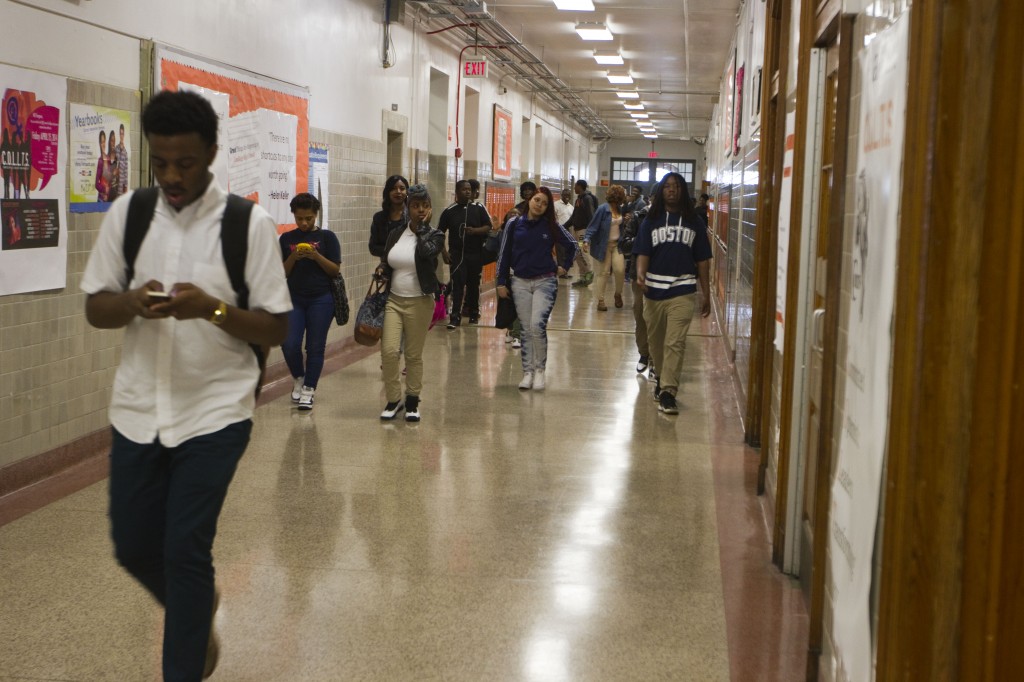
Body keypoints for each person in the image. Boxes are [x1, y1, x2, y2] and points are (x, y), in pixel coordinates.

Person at [81, 90, 291, 681]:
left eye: (186, 163)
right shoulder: (130, 214)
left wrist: (212, 311)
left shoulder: (248, 226)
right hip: (137, 407)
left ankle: (186, 659)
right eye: (161, 163)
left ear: (212, 154)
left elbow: (275, 327)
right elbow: (97, 308)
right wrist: (130, 302)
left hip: (215, 411)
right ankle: (196, 609)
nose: (172, 176)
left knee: (184, 550)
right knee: (133, 547)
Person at [633, 172, 712, 415]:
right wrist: (640, 274)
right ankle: (659, 375)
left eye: (676, 186)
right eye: (667, 186)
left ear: (683, 191)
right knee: (656, 343)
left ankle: (668, 391)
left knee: (675, 342)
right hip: (654, 290)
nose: (671, 190)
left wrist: (705, 293)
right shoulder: (651, 220)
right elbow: (643, 251)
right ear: (661, 191)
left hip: (683, 289)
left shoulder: (694, 221)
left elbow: (702, 261)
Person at [496, 187, 578, 391]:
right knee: (525, 329)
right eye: (537, 200)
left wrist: (564, 266)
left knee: (536, 326)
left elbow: (572, 245)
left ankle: (540, 370)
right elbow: (504, 253)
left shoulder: (551, 226)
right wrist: (500, 282)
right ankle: (527, 372)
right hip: (519, 282)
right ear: (529, 200)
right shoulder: (514, 224)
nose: (539, 205)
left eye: (544, 204)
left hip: (545, 281)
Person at [378, 184, 445, 421]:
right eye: (415, 205)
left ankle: (413, 400)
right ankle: (394, 399)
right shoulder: (396, 233)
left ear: (429, 209)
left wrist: (423, 229)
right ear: (407, 207)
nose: (419, 210)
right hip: (394, 301)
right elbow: (387, 260)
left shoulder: (436, 235)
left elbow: (427, 253)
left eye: (424, 206)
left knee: (413, 355)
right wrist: (381, 270)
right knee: (388, 351)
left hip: (420, 302)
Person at [280, 192, 341, 410]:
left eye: (309, 218)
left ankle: (309, 388)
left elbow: (334, 270)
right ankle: (298, 377)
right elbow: (282, 273)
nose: (304, 223)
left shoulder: (327, 238)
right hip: (294, 298)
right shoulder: (287, 239)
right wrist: (293, 257)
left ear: (316, 215)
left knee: (315, 346)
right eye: (299, 219)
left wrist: (316, 256)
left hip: (321, 299)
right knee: (289, 343)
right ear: (294, 216)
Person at [438, 178, 492, 328]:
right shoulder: (449, 211)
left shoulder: (479, 207)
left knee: (473, 285)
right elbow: (439, 233)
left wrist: (475, 231)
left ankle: (474, 313)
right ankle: (455, 317)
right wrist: (443, 252)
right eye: (464, 189)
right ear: (456, 192)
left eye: (469, 189)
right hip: (457, 255)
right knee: (457, 286)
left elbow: (488, 226)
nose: (468, 191)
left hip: (475, 254)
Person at [582, 184, 628, 312]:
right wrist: (586, 240)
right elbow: (592, 226)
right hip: (603, 246)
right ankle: (600, 300)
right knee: (604, 272)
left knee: (620, 270)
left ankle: (618, 294)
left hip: (617, 245)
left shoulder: (620, 209)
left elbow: (621, 227)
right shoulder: (602, 209)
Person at [566, 179, 597, 287]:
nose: (574, 188)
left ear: (580, 187)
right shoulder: (579, 199)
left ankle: (589, 272)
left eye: (575, 186)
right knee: (578, 253)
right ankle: (582, 276)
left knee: (582, 252)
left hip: (583, 232)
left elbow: (591, 216)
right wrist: (563, 226)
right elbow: (574, 216)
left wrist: (589, 234)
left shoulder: (587, 199)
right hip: (577, 230)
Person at [369, 174, 408, 258]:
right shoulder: (379, 218)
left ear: (407, 191)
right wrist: (394, 250)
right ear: (388, 192)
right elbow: (373, 248)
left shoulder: (412, 217)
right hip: (386, 265)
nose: (398, 191)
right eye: (393, 188)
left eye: (402, 188)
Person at [553, 185, 575, 279]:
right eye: (565, 194)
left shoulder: (571, 207)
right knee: (560, 251)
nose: (567, 196)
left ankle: (565, 271)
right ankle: (561, 272)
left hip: (568, 231)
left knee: (567, 251)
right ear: (561, 195)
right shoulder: (556, 204)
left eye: (569, 194)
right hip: (559, 230)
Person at [94, 129, 109, 202]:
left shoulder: (109, 159)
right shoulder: (100, 161)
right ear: (99, 144)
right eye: (101, 142)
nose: (103, 144)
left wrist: (108, 194)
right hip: (101, 198)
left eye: (104, 141)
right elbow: (96, 184)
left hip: (109, 198)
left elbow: (111, 180)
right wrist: (104, 190)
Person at [106, 129, 121, 203]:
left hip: (115, 194)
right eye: (112, 141)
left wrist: (118, 174)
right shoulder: (106, 157)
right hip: (107, 194)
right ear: (109, 142)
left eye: (114, 141)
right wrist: (113, 174)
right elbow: (104, 177)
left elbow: (118, 180)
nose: (113, 143)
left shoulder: (117, 157)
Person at [116, 123, 130, 196]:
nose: (121, 135)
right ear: (119, 134)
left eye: (122, 134)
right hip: (115, 187)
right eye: (120, 133)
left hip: (122, 188)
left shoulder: (125, 152)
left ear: (124, 135)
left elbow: (126, 171)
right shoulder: (116, 149)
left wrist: (126, 187)